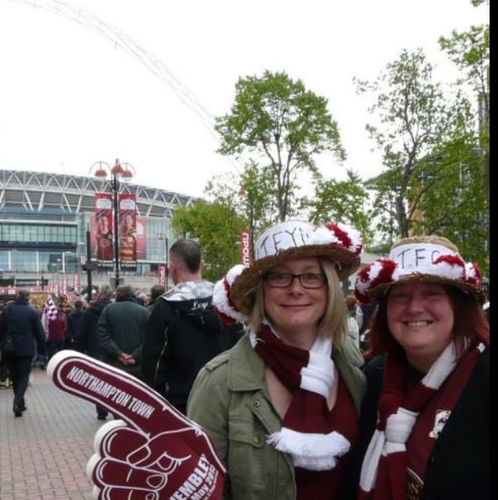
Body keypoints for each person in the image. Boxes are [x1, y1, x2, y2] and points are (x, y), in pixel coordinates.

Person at [186, 220, 367, 499]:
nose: (296, 289)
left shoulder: (352, 367)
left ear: (329, 287)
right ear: (262, 290)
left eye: (311, 276)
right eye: (280, 277)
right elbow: (199, 490)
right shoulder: (220, 381)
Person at [353, 235, 489, 500]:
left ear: (457, 305)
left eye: (432, 294)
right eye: (401, 296)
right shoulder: (373, 377)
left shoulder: (483, 377)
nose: (414, 308)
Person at [142, 239, 244, 415]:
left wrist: (155, 410)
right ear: (202, 265)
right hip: (228, 401)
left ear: (172, 268)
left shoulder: (165, 308)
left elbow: (154, 365)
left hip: (181, 406)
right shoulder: (226, 302)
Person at [0, 289, 46, 417]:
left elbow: (2, 330)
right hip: (26, 349)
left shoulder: (7, 310)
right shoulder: (32, 312)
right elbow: (39, 333)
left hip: (9, 349)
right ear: (28, 298)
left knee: (14, 376)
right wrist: (42, 351)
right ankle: (17, 402)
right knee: (23, 377)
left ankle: (20, 404)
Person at [72, 285, 113, 420]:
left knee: (99, 381)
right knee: (113, 381)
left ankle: (101, 410)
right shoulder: (113, 310)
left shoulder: (90, 312)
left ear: (99, 295)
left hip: (94, 349)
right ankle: (115, 409)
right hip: (112, 351)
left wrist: (79, 352)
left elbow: (82, 334)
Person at [97, 284, 150, 381]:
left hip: (112, 365)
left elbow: (103, 335)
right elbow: (150, 339)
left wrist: (119, 354)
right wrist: (135, 356)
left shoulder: (109, 310)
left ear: (118, 295)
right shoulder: (145, 312)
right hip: (137, 367)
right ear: (133, 295)